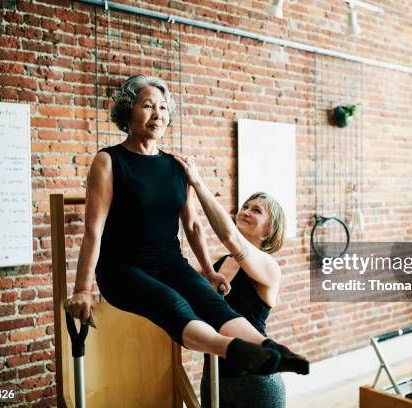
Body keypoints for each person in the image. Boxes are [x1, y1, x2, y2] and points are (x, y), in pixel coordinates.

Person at [65, 74, 309, 377]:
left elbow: (192, 225)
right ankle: (232, 349)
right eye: (148, 106)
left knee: (211, 302)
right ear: (128, 112)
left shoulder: (176, 166)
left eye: (164, 108)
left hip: (169, 263)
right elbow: (94, 230)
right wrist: (82, 289)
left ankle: (271, 348)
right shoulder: (109, 161)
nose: (158, 114)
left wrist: (208, 271)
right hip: (121, 269)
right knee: (172, 301)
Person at [174, 153, 289, 407]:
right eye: (245, 206)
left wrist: (198, 182)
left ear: (269, 230)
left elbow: (230, 237)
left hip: (256, 378)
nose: (246, 211)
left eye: (256, 210)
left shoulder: (269, 267)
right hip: (214, 373)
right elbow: (179, 278)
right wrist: (183, 188)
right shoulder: (217, 264)